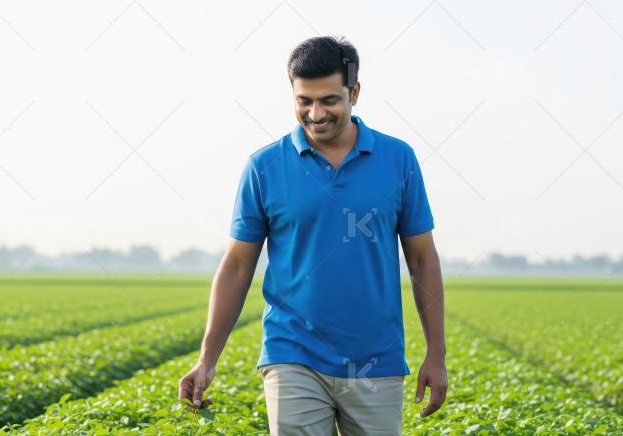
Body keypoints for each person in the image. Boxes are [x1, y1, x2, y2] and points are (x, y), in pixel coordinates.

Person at [179, 35, 447, 435]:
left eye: (329, 100)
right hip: (293, 355)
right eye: (304, 101)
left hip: (377, 360)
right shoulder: (265, 166)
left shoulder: (398, 159)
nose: (315, 113)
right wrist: (206, 358)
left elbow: (423, 259)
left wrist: (436, 355)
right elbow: (237, 265)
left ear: (354, 92)